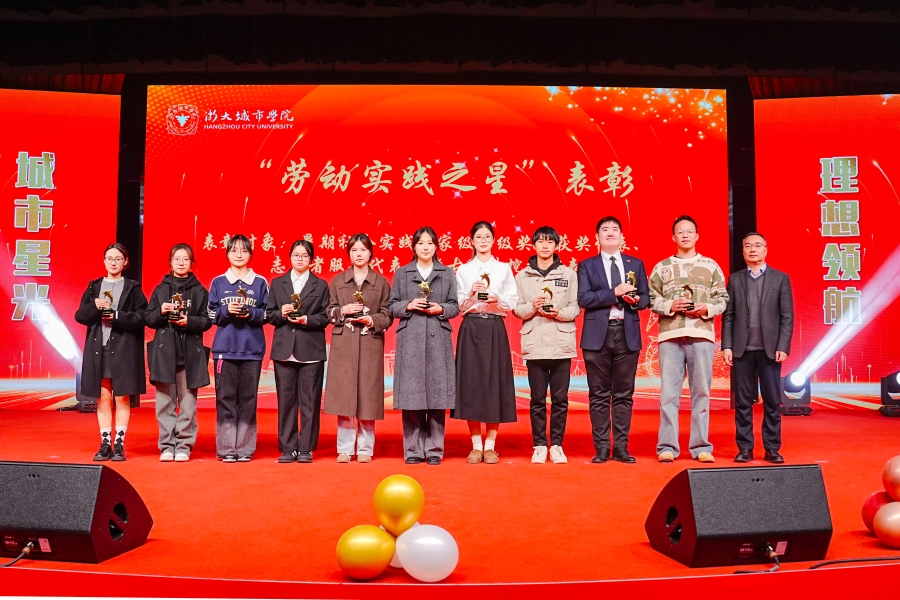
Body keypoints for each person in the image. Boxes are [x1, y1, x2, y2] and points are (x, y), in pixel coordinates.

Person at [649, 215, 729, 463]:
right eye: (680, 232)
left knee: (701, 392)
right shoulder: (662, 267)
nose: (685, 235)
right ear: (673, 237)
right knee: (668, 394)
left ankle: (701, 446)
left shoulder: (711, 265)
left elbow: (723, 299)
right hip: (670, 335)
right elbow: (650, 298)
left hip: (701, 334)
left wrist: (706, 308)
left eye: (689, 231)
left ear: (697, 236)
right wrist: (670, 305)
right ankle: (667, 446)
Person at [577, 217, 650, 464]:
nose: (610, 233)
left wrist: (636, 300)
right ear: (596, 237)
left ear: (622, 237)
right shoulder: (587, 265)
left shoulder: (635, 264)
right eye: (605, 229)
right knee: (598, 394)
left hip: (627, 333)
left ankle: (621, 447)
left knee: (623, 394)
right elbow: (583, 298)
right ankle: (600, 448)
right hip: (597, 334)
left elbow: (646, 297)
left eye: (615, 229)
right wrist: (614, 293)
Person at [388, 227, 460, 465]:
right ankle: (413, 450)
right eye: (421, 243)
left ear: (436, 246)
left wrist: (441, 308)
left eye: (430, 243)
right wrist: (408, 305)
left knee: (438, 397)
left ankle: (434, 450)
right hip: (410, 339)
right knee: (412, 397)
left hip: (438, 338)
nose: (426, 247)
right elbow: (391, 306)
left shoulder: (446, 273)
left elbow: (454, 306)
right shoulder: (402, 273)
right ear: (414, 247)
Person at [722, 232, 794, 464]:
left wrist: (783, 345)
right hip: (742, 349)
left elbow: (787, 316)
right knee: (743, 402)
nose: (753, 249)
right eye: (748, 246)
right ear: (743, 251)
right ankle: (745, 448)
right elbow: (728, 316)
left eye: (757, 245)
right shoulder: (735, 280)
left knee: (772, 401)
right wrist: (727, 346)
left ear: (766, 250)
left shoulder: (780, 278)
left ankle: (772, 448)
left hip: (770, 350)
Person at [75, 243, 148, 462]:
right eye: (109, 258)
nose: (113, 262)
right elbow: (80, 316)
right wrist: (94, 307)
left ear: (125, 262)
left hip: (124, 348)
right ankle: (105, 442)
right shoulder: (94, 286)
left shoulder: (132, 288)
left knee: (122, 397)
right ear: (104, 261)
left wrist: (116, 316)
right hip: (99, 348)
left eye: (118, 259)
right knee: (103, 397)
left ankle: (119, 444)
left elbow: (142, 317)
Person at [513, 226, 580, 464]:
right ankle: (540, 445)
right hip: (535, 344)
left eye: (549, 241)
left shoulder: (569, 274)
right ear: (533, 245)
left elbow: (575, 307)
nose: (545, 246)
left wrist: (559, 313)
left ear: (556, 245)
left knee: (560, 399)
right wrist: (533, 306)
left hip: (561, 344)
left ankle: (557, 445)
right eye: (540, 241)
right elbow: (517, 310)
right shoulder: (522, 276)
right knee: (537, 399)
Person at [453, 221, 518, 465]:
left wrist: (496, 298)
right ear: (471, 241)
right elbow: (458, 304)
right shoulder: (463, 270)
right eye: (478, 237)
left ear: (493, 240)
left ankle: (490, 446)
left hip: (494, 326)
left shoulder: (503, 268)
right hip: (470, 326)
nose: (483, 241)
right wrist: (471, 293)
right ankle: (475, 446)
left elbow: (512, 301)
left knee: (494, 384)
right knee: (471, 384)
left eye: (487, 236)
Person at [324, 233, 393, 463]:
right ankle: (344, 449)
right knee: (344, 397)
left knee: (368, 398)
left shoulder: (381, 282)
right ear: (349, 254)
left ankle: (365, 449)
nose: (359, 254)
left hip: (369, 343)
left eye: (363, 250)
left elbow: (387, 314)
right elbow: (329, 311)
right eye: (354, 250)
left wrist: (372, 320)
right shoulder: (338, 281)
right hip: (344, 344)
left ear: (370, 253)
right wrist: (343, 311)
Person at [146, 243, 212, 462]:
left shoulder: (200, 291)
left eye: (185, 259)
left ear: (192, 264)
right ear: (170, 263)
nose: (181, 263)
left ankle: (184, 445)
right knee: (164, 403)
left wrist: (188, 321)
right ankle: (167, 446)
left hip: (190, 356)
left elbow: (207, 321)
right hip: (165, 355)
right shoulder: (160, 289)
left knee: (187, 405)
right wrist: (161, 311)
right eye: (177, 259)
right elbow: (148, 319)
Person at [266, 239, 330, 464]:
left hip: (310, 350)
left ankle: (306, 448)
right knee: (286, 402)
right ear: (290, 258)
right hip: (284, 350)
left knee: (310, 402)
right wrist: (281, 313)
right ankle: (288, 447)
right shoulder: (277, 283)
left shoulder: (320, 285)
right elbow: (269, 315)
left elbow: (325, 317)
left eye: (304, 255)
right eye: (296, 255)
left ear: (311, 259)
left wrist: (306, 320)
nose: (300, 259)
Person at [207, 234, 269, 463]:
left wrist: (250, 313)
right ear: (227, 254)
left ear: (250, 254)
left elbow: (269, 314)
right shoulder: (218, 282)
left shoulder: (260, 282)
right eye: (234, 250)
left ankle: (244, 449)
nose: (239, 255)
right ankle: (226, 449)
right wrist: (226, 311)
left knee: (248, 400)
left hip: (252, 350)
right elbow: (210, 314)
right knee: (225, 399)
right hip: (224, 351)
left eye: (244, 250)